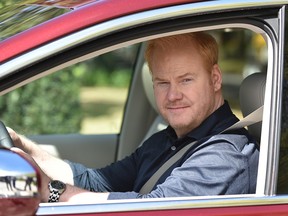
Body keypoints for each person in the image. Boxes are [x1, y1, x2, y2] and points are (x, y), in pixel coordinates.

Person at [9, 31, 259, 203]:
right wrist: (22, 145)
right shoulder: (167, 139)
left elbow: (154, 208)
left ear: (215, 79)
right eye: (162, 82)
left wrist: (49, 191)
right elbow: (96, 182)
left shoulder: (226, 156)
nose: (173, 95)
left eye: (186, 80)